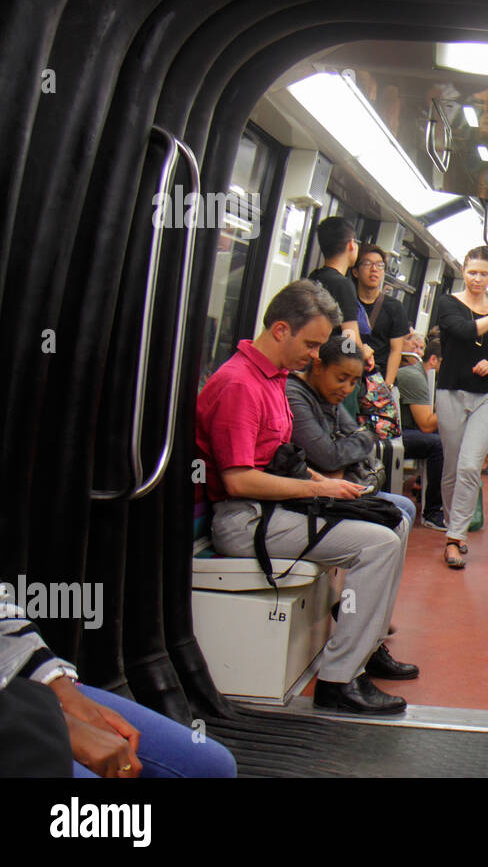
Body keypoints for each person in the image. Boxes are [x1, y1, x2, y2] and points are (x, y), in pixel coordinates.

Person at [197, 280, 417, 715]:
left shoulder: (273, 380)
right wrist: (320, 487)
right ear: (281, 330)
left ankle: (364, 642)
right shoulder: (241, 385)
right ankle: (339, 680)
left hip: (275, 507)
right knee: (379, 544)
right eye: (312, 343)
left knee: (392, 517)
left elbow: (284, 459)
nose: (316, 355)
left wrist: (329, 484)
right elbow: (240, 480)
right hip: (245, 520)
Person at [1, 582, 237, 777]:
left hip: (18, 689)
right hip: (14, 711)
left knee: (211, 767)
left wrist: (62, 691)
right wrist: (57, 724)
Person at [434, 247, 488, 568]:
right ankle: (452, 524)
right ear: (463, 271)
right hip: (451, 391)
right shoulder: (448, 303)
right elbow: (465, 331)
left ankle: (456, 537)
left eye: (483, 273)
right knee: (452, 468)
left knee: (470, 466)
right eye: (472, 273)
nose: (477, 279)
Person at [286, 333, 419, 527]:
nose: (347, 389)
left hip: (339, 482)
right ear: (317, 367)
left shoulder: (329, 395)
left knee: (406, 507)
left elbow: (366, 436)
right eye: (341, 378)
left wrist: (340, 457)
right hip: (310, 492)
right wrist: (343, 450)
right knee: (398, 516)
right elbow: (328, 457)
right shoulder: (295, 396)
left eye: (353, 382)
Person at [307, 216, 374, 374]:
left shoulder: (314, 277)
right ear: (351, 244)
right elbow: (349, 337)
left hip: (313, 363)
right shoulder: (343, 285)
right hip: (332, 368)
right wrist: (362, 352)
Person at [394, 331, 446, 529]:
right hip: (400, 433)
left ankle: (430, 494)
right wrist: (453, 404)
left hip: (408, 429)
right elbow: (426, 424)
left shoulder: (421, 376)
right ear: (433, 360)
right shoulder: (415, 377)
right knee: (438, 445)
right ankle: (432, 511)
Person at [353, 242, 411, 385]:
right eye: (367, 264)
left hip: (379, 378)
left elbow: (395, 351)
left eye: (379, 265)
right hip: (350, 375)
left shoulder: (394, 308)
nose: (374, 269)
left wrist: (388, 385)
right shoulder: (348, 303)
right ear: (355, 271)